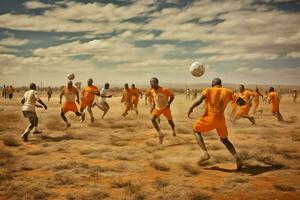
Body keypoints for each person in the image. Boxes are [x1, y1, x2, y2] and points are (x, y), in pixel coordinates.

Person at [187, 78, 243, 171]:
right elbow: (242, 102)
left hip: (210, 117)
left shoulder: (209, 90)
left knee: (195, 130)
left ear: (212, 85)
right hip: (221, 119)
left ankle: (204, 153)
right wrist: (241, 103)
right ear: (221, 84)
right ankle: (237, 158)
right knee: (225, 140)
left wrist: (191, 107)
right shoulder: (228, 91)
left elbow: (200, 100)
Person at [150, 77, 175, 144]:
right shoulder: (152, 91)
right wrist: (152, 108)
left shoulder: (164, 90)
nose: (151, 83)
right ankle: (160, 134)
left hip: (165, 109)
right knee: (152, 119)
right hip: (157, 109)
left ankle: (173, 130)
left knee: (170, 121)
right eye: (150, 82)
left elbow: (172, 96)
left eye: (152, 82)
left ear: (157, 83)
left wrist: (169, 103)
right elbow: (154, 100)